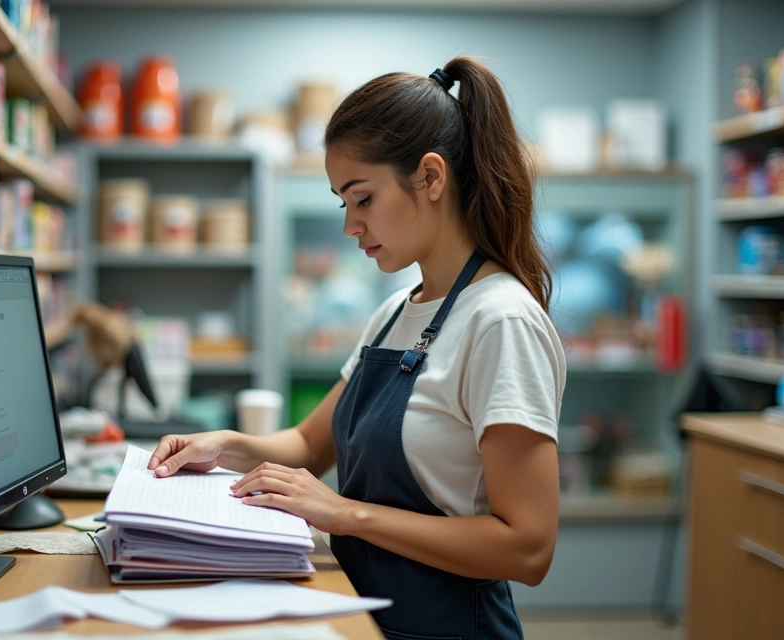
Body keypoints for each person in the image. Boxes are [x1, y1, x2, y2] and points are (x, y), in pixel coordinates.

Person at [148, 57, 565, 640]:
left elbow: (528, 548)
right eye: (343, 202)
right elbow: (308, 445)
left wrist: (344, 513)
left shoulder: (501, 321)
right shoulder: (396, 310)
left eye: (363, 198)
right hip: (368, 615)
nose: (350, 225)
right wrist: (223, 445)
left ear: (431, 176)